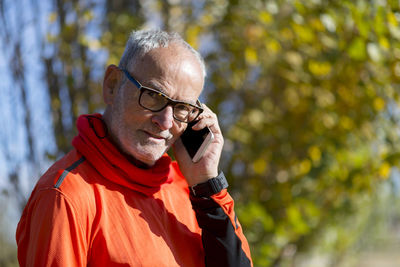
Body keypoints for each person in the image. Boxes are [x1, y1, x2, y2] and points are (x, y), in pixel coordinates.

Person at [16, 29, 252, 267]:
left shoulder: (192, 190)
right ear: (112, 85)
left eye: (182, 108)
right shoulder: (66, 195)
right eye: (153, 96)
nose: (166, 122)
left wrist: (206, 185)